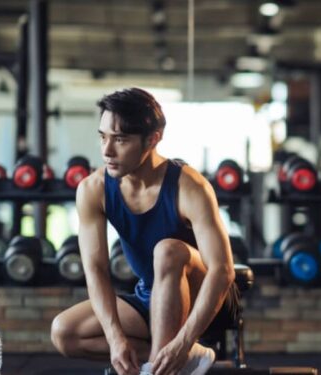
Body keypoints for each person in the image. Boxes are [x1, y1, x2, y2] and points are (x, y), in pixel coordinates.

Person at [50, 88, 238, 375]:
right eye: (103, 137)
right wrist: (115, 339)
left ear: (153, 139)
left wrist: (184, 340)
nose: (106, 151)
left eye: (120, 140)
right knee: (64, 332)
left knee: (167, 251)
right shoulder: (93, 189)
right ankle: (168, 362)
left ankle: (166, 362)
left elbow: (222, 271)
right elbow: (96, 269)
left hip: (206, 300)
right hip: (149, 296)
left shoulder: (189, 187)